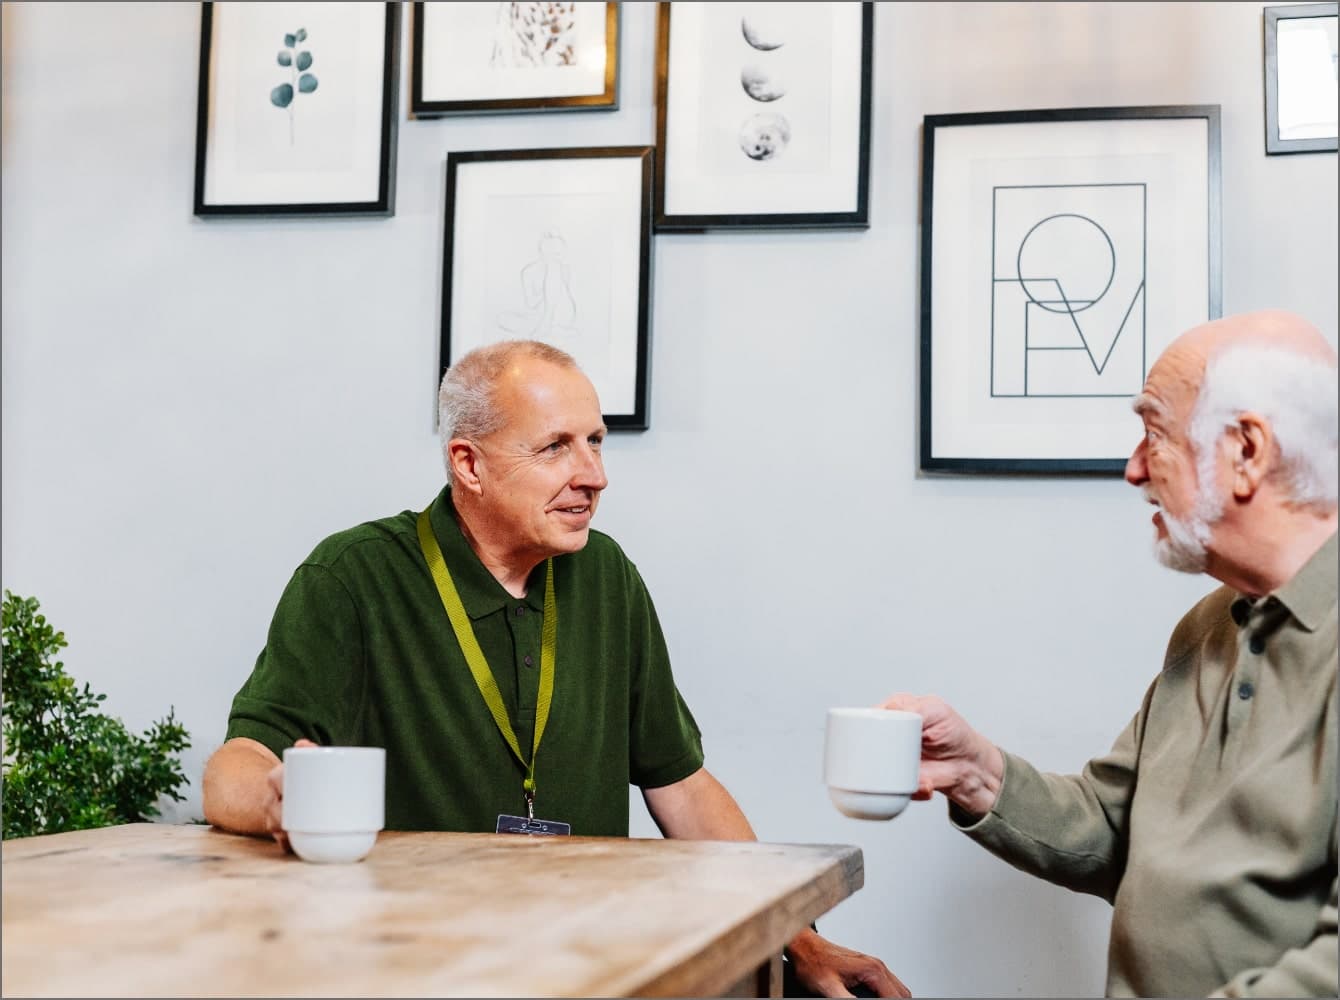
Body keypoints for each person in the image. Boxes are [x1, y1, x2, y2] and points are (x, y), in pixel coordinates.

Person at [202, 339, 908, 999]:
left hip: (596, 963)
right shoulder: (353, 577)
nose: (594, 476)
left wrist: (801, 939)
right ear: (468, 464)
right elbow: (236, 764)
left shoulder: (607, 575)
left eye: (596, 442)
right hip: (417, 967)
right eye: (556, 448)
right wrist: (272, 800)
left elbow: (683, 786)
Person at [883, 309, 1337, 997]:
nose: (1132, 470)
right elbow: (1114, 830)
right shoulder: (1209, 625)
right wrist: (974, 772)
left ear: (1246, 450)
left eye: (1154, 435)